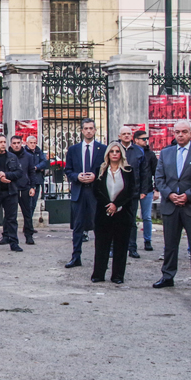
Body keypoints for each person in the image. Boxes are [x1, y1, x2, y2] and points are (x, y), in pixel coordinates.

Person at [153, 119, 191, 291]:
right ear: (173, 133)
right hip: (171, 206)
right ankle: (167, 275)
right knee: (170, 244)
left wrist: (188, 196)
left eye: (184, 131)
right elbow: (159, 178)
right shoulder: (166, 153)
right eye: (177, 132)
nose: (180, 135)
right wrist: (170, 195)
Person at [91, 142, 136, 284]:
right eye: (112, 151)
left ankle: (117, 276)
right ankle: (98, 274)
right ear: (108, 154)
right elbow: (96, 191)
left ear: (121, 154)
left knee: (121, 246)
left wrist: (116, 204)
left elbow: (130, 191)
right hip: (103, 213)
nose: (115, 154)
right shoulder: (101, 170)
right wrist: (108, 205)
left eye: (117, 151)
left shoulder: (128, 171)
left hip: (122, 214)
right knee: (101, 245)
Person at [64, 119, 107, 268]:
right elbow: (68, 170)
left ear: (95, 130)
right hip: (79, 191)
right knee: (77, 226)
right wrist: (77, 176)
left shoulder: (103, 149)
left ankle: (101, 259)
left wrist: (96, 176)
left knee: (100, 226)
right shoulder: (73, 150)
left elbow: (106, 169)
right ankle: (76, 257)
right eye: (86, 128)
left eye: (91, 128)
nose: (88, 131)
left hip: (96, 192)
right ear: (82, 131)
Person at [118, 126, 144, 259]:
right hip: (116, 191)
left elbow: (144, 172)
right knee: (115, 221)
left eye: (129, 134)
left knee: (131, 221)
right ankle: (113, 248)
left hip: (133, 192)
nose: (127, 136)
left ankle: (132, 248)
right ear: (119, 136)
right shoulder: (115, 150)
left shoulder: (138, 151)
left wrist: (143, 190)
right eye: (124, 134)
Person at [9, 135, 38, 245]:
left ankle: (29, 235)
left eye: (18, 143)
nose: (16, 145)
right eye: (14, 143)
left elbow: (32, 172)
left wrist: (32, 186)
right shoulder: (8, 156)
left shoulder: (28, 156)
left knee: (27, 213)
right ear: (11, 144)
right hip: (11, 188)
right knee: (10, 214)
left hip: (25, 187)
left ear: (22, 143)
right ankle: (8, 236)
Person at [135, 130, 158, 252]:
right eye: (143, 139)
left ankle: (147, 241)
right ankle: (130, 242)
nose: (146, 141)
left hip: (147, 189)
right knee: (131, 217)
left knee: (147, 217)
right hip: (133, 190)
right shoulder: (131, 152)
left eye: (146, 139)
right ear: (136, 140)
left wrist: (157, 189)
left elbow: (157, 172)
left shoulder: (150, 154)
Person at [23, 135, 50, 239]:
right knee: (28, 205)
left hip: (37, 181)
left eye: (34, 143)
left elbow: (45, 162)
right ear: (27, 143)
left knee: (33, 204)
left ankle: (28, 226)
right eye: (31, 143)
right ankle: (27, 226)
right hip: (28, 182)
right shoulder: (24, 153)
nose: (33, 145)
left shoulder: (39, 151)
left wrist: (36, 167)